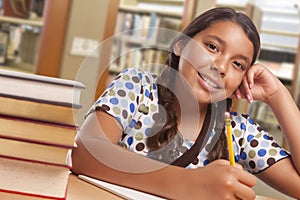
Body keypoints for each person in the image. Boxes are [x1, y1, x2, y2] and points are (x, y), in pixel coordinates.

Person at [71, 7, 300, 199]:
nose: (221, 67)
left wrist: (278, 95)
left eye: (238, 64)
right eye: (212, 47)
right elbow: (85, 151)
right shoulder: (137, 87)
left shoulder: (237, 132)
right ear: (180, 45)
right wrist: (189, 184)